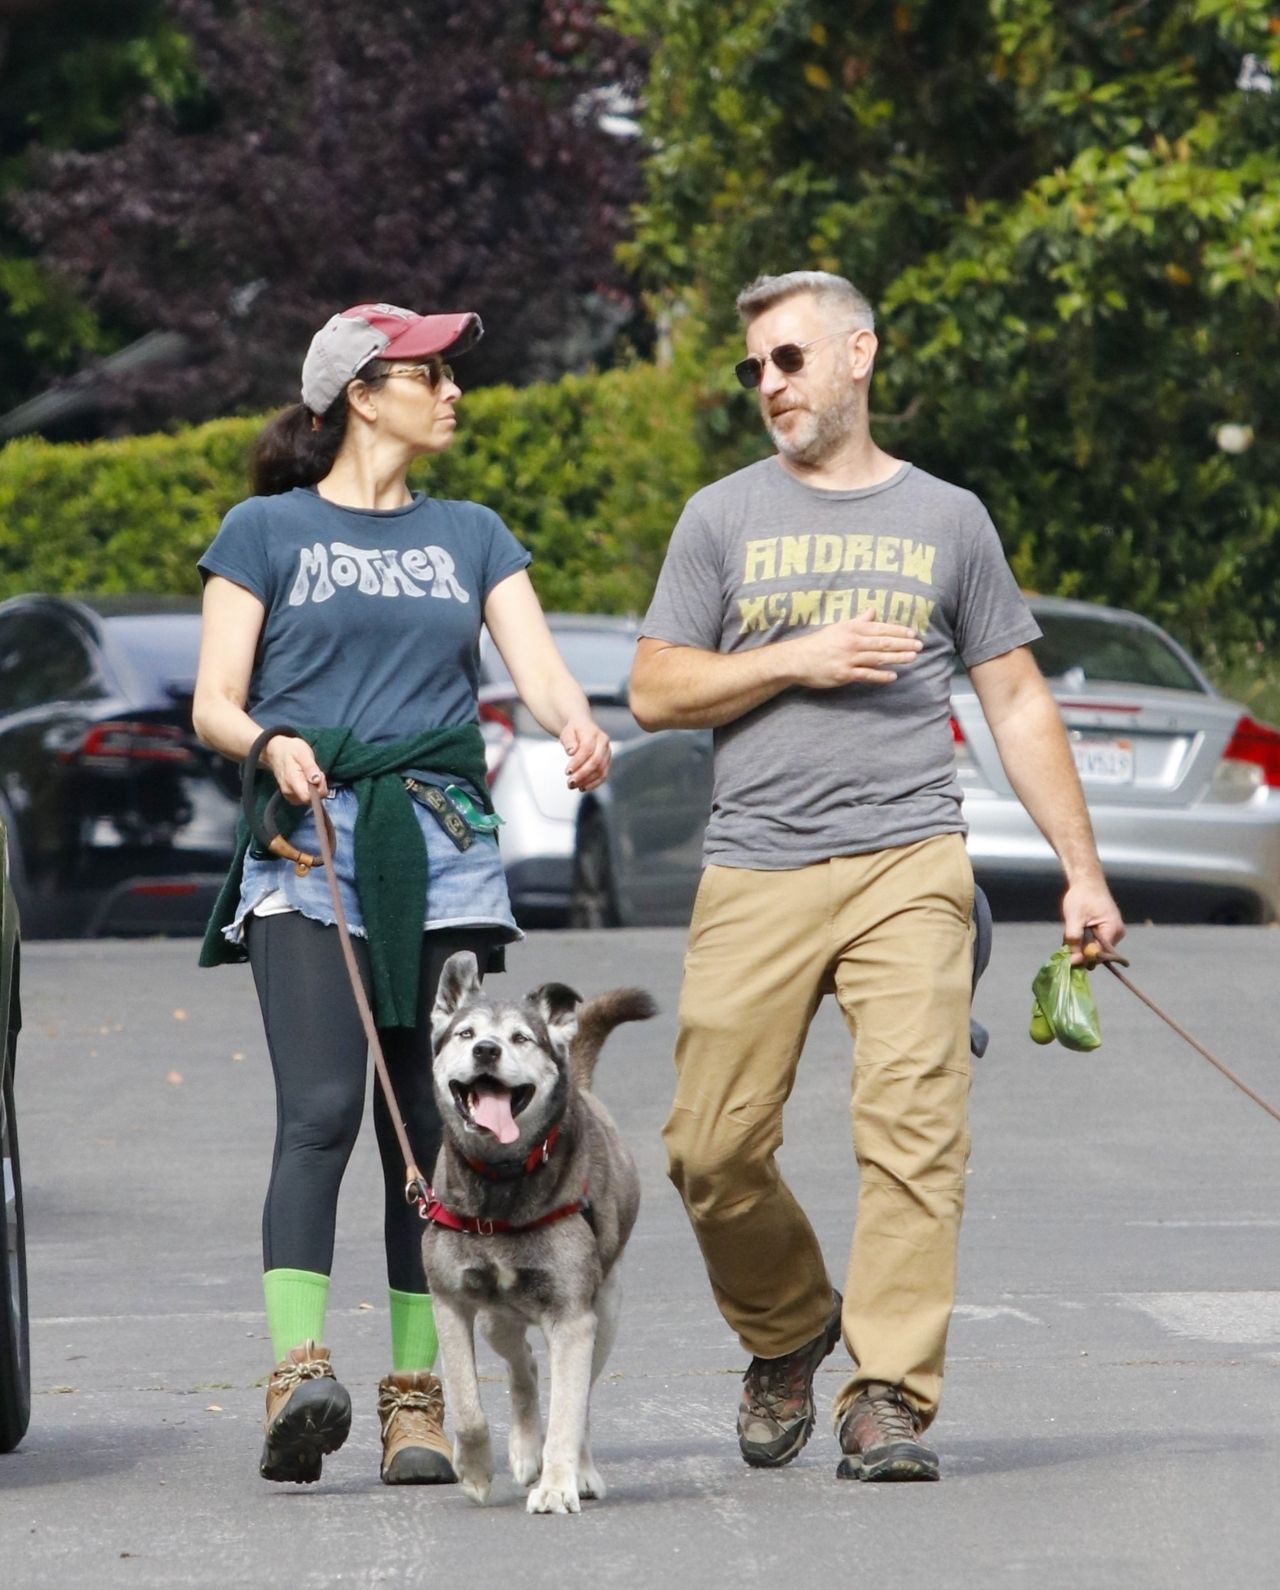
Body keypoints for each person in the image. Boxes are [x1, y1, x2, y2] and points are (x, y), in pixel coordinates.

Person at [628, 270, 1125, 1483]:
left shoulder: (948, 518)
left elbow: (1013, 699)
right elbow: (653, 688)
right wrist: (796, 657)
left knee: (913, 1131)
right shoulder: (719, 518)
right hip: (756, 863)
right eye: (752, 370)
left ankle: (886, 1393)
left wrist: (1081, 872)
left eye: (787, 360)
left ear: (858, 354)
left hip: (911, 855)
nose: (767, 386)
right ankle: (790, 1324)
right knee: (707, 1147)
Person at [192, 302, 611, 1486]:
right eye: (428, 373)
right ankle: (298, 1374)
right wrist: (269, 740)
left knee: (429, 1135)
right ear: (361, 394)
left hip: (448, 853)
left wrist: (575, 727)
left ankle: (419, 1396)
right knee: (323, 1111)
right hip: (312, 857)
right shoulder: (262, 530)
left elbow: (537, 674)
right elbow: (214, 699)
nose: (453, 391)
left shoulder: (474, 534)